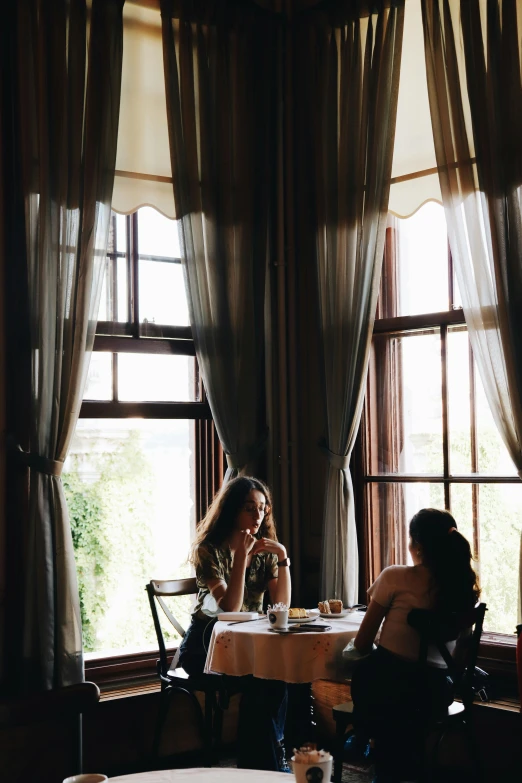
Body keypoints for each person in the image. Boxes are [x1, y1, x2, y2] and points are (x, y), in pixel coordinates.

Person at [348, 508, 480, 783]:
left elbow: (361, 643)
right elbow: (458, 661)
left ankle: (367, 742)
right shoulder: (463, 587)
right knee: (400, 698)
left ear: (417, 546)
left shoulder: (395, 577)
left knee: (367, 674)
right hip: (434, 693)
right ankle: (396, 765)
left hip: (389, 688)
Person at [178, 475, 292, 772]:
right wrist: (241, 555)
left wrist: (282, 557)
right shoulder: (209, 550)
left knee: (279, 674)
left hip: (248, 642)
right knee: (262, 682)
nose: (257, 515)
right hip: (206, 645)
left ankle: (262, 763)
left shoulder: (265, 552)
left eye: (262, 508)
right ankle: (267, 765)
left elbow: (282, 606)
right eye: (249, 508)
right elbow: (230, 607)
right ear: (232, 510)